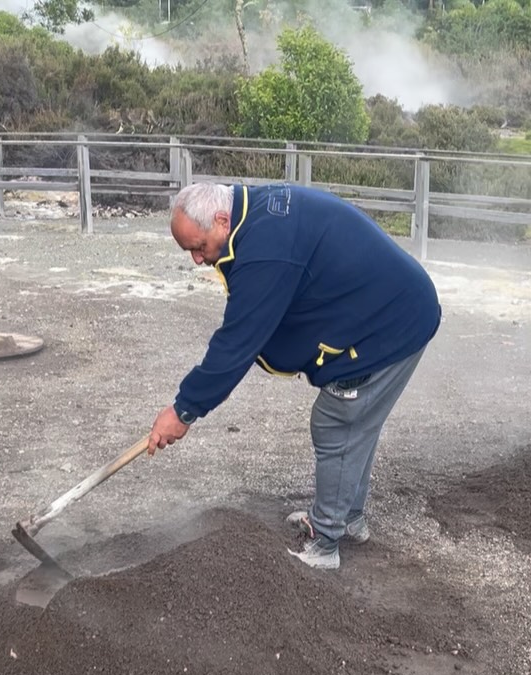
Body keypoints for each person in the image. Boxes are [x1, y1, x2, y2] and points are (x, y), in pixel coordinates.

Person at [149, 181, 441, 570]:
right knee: (357, 425)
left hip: (391, 325)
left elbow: (237, 343)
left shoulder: (267, 251)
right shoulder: (251, 212)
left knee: (338, 421)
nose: (197, 261)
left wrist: (183, 410)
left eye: (198, 247)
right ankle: (347, 518)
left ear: (221, 220)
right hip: (394, 308)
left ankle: (325, 543)